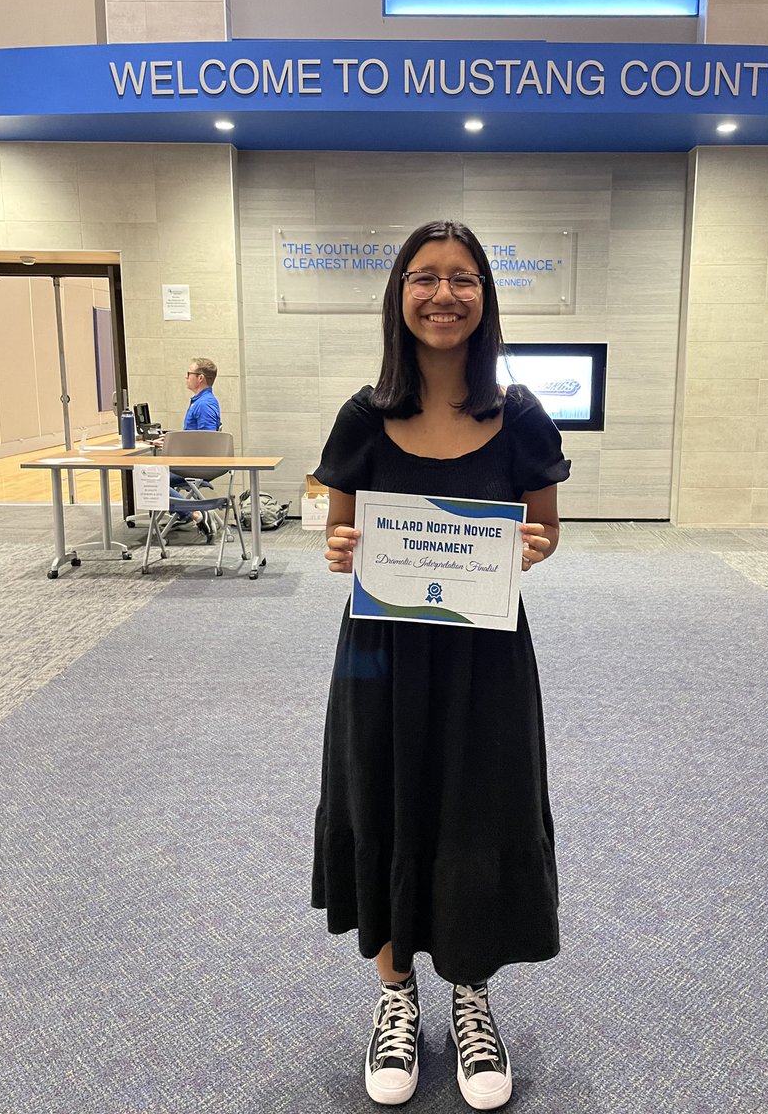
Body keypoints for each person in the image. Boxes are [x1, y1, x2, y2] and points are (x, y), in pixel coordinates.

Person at [312, 220, 571, 1109]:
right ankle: (393, 997)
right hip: (380, 652)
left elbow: (546, 531)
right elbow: (338, 533)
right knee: (381, 791)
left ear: (485, 296)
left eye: (463, 278)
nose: (443, 294)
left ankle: (470, 992)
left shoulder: (520, 414)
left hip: (485, 651)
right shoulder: (362, 414)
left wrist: (528, 548)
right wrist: (341, 546)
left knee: (477, 801)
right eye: (425, 277)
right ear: (400, 294)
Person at [166, 357, 222, 542]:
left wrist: (172, 445)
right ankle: (185, 514)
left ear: (200, 378)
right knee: (153, 476)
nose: (186, 377)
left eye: (189, 374)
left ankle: (195, 514)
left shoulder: (204, 405)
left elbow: (206, 443)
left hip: (197, 465)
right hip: (191, 462)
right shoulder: (201, 401)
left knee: (151, 479)